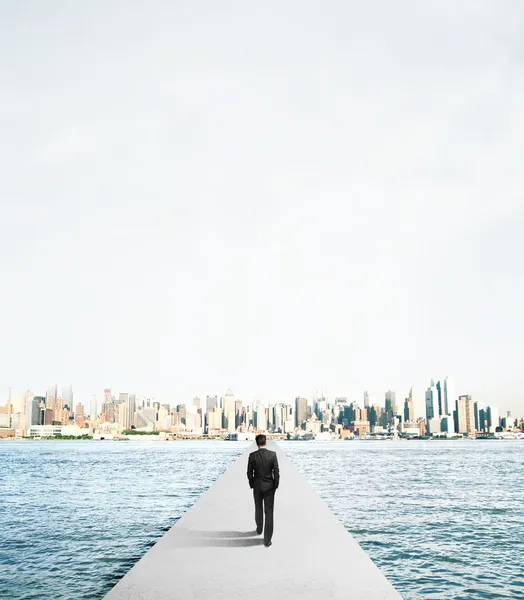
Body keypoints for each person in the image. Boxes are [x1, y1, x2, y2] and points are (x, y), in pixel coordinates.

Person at [246, 434, 280, 547]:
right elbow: (276, 471)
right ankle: (267, 540)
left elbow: (249, 472)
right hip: (269, 486)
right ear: (266, 442)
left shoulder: (252, 456)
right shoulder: (272, 455)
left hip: (257, 486)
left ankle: (259, 529)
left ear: (256, 444)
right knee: (269, 513)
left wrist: (252, 484)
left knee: (258, 508)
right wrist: (275, 485)